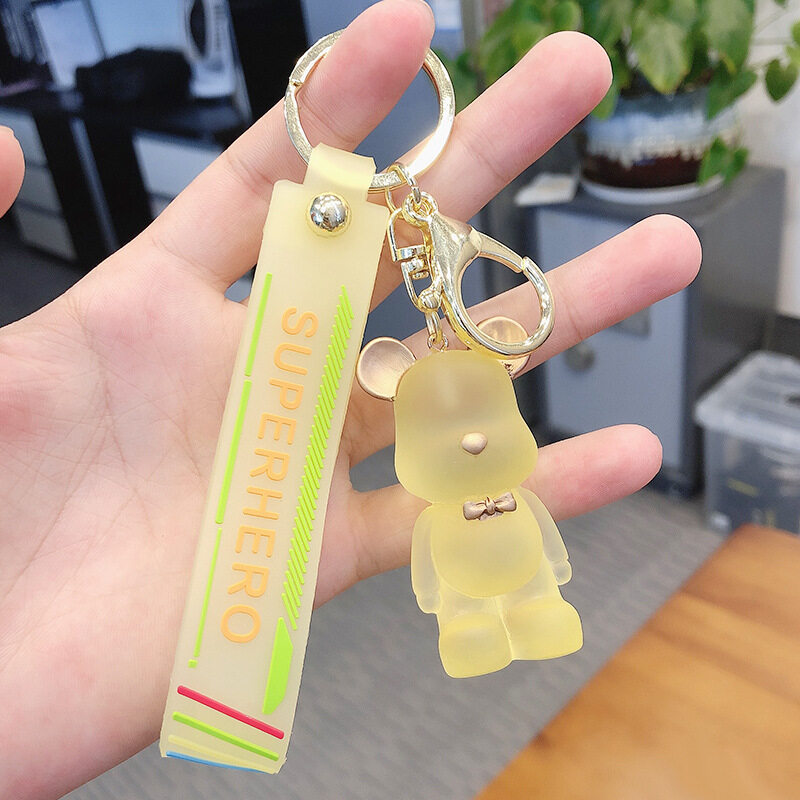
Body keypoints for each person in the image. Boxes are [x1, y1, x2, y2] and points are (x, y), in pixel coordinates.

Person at [0, 1, 701, 797]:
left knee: (537, 591)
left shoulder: (509, 482)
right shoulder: (436, 506)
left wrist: (549, 572)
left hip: (512, 550)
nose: (472, 439)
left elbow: (547, 547)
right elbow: (433, 577)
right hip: (453, 573)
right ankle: (475, 630)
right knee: (468, 612)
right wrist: (446, 603)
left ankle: (535, 615)